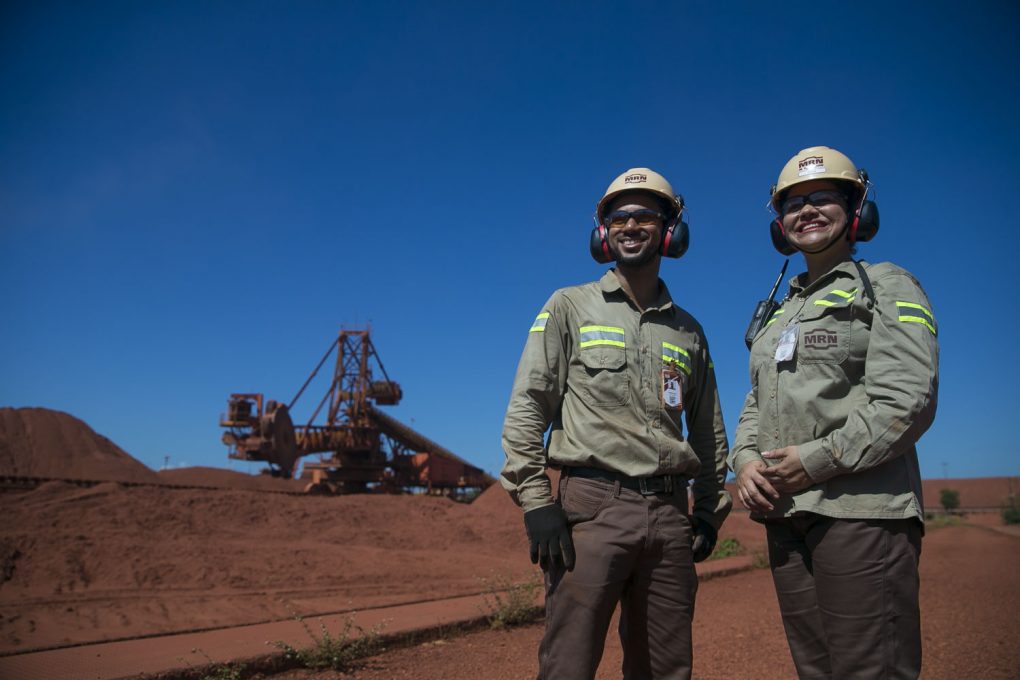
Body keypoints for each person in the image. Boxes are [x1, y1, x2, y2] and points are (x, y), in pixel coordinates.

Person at [501, 167, 731, 680]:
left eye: (645, 215)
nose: (630, 225)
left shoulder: (689, 331)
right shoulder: (569, 306)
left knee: (665, 669)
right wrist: (537, 501)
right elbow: (527, 407)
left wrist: (710, 510)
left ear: (671, 229)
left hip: (671, 517)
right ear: (602, 230)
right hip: (592, 510)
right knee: (570, 664)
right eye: (618, 216)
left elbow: (708, 432)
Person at [730, 146, 939, 679]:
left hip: (861, 515)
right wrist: (746, 460)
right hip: (787, 517)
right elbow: (758, 401)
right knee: (816, 671)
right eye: (793, 203)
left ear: (857, 209)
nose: (807, 211)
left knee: (871, 671)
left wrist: (816, 460)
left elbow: (906, 401)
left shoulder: (889, 285)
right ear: (780, 224)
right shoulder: (782, 311)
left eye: (823, 197)